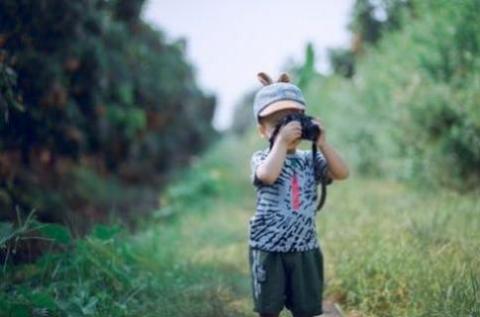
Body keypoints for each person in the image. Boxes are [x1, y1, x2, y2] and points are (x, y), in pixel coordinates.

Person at [248, 72, 349, 317]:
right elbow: (268, 176)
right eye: (277, 124)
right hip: (268, 248)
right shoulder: (262, 158)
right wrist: (281, 143)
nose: (287, 130)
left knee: (307, 309)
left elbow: (341, 173)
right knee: (268, 309)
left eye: (292, 122)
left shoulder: (310, 159)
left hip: (305, 247)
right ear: (262, 130)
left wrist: (322, 143)